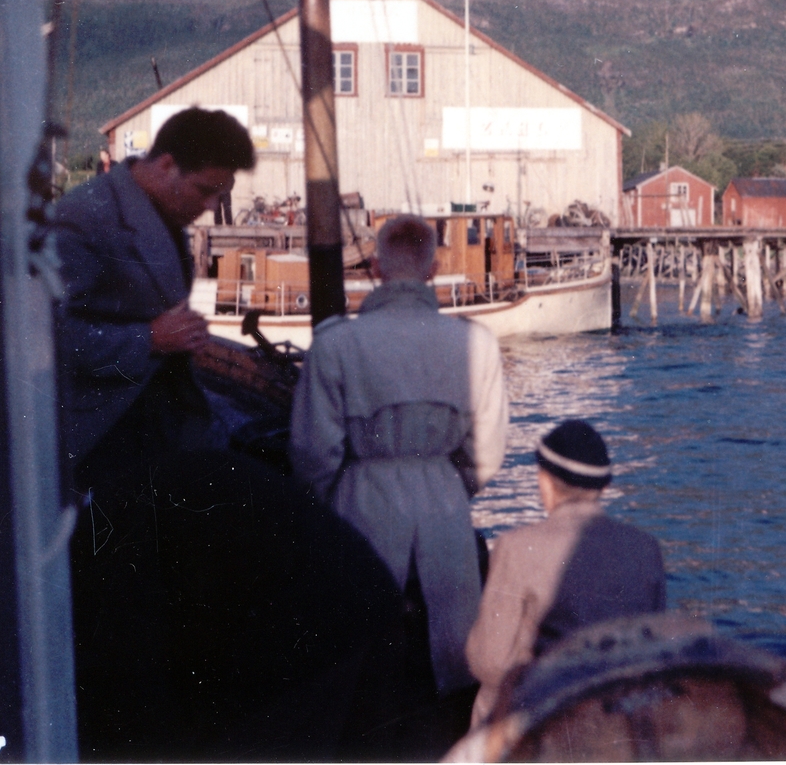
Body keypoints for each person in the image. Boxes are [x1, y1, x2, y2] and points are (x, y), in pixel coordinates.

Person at [54, 108, 403, 760]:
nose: (213, 208)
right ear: (164, 167)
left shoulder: (160, 215)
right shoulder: (86, 218)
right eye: (208, 191)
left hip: (165, 439)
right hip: (105, 452)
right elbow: (34, 338)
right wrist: (143, 341)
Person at [290, 213, 508, 698]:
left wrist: (340, 496)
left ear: (375, 266)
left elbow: (312, 453)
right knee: (450, 655)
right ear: (433, 270)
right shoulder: (475, 342)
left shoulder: (335, 343)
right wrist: (449, 484)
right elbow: (488, 453)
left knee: (361, 649)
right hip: (444, 506)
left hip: (362, 503)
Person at [465, 419, 667, 728]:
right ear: (603, 487)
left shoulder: (516, 547)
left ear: (545, 481)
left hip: (543, 720)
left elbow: (488, 661)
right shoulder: (645, 548)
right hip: (620, 720)